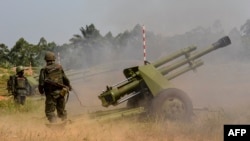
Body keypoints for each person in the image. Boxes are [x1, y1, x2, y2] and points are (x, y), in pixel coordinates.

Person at [38, 51, 72, 123]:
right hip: (61, 92)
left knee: (49, 111)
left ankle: (54, 124)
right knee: (61, 110)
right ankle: (64, 121)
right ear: (54, 59)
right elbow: (65, 79)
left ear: (46, 59)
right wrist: (69, 86)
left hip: (51, 94)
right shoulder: (59, 67)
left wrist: (41, 91)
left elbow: (41, 83)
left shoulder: (44, 69)